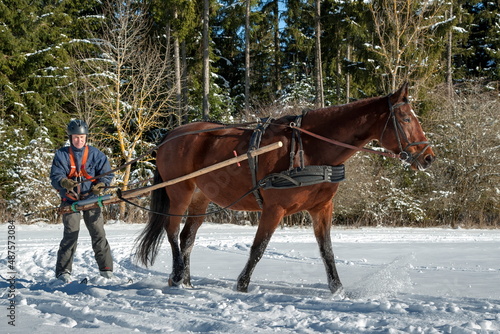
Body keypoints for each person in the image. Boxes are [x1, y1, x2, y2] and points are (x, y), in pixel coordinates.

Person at [50, 119, 115, 283]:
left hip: (92, 200)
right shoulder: (62, 154)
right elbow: (56, 175)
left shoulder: (96, 154)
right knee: (71, 235)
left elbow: (107, 175)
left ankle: (106, 271)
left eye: (82, 137)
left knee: (98, 234)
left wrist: (101, 186)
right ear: (70, 138)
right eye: (75, 137)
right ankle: (63, 272)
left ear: (86, 137)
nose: (79, 140)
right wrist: (64, 182)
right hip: (70, 201)